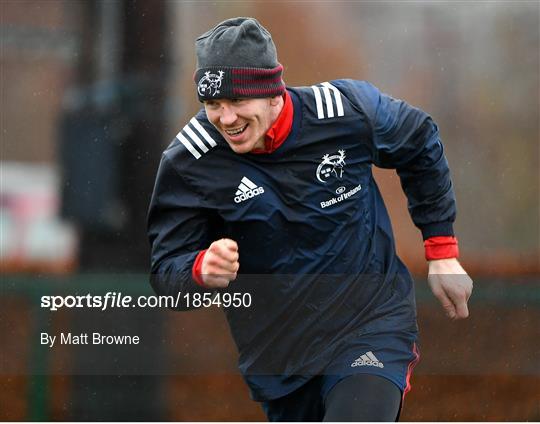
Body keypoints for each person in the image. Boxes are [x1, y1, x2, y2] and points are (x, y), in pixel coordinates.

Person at [147, 17, 473, 421]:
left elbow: (420, 141)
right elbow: (166, 272)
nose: (225, 118)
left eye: (237, 102)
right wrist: (200, 270)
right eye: (213, 104)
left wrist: (442, 250)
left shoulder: (347, 112)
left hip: (370, 325)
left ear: (272, 92)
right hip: (281, 363)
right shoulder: (189, 161)